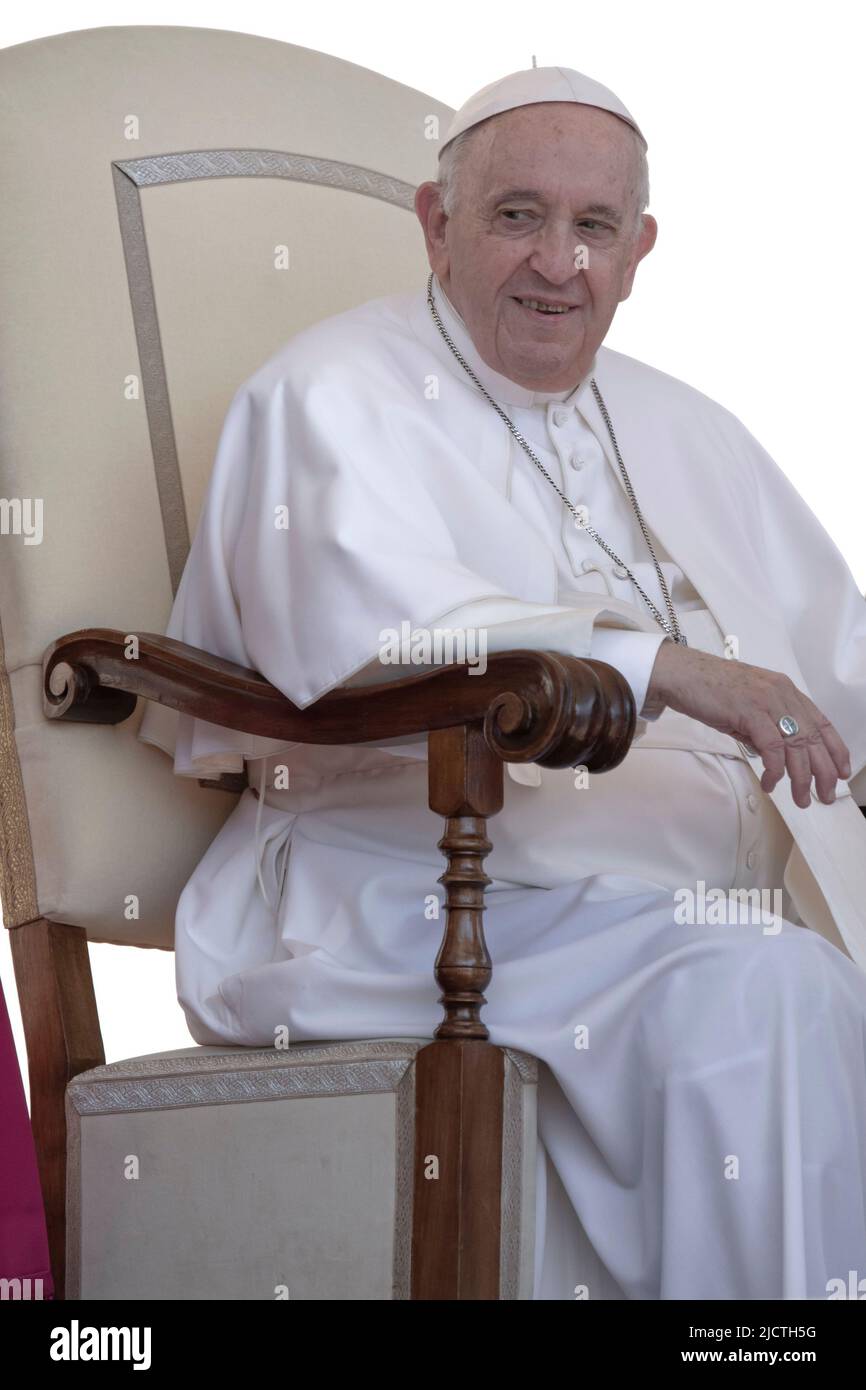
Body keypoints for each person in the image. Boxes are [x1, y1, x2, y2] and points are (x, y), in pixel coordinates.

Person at [138, 65, 866, 1299]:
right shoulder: (323, 394)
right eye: (515, 216)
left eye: (592, 229)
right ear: (435, 222)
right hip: (415, 893)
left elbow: (833, 656)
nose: (557, 265)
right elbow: (359, 633)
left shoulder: (686, 422)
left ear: (638, 250)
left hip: (666, 902)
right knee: (767, 988)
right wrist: (664, 670)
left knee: (774, 966)